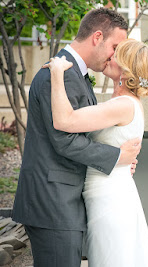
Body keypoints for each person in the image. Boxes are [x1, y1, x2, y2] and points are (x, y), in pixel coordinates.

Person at [12, 8, 141, 267]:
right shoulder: (58, 75)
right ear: (96, 37)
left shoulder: (75, 75)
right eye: (114, 46)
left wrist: (120, 158)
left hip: (64, 201)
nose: (115, 56)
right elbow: (64, 139)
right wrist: (117, 156)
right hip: (54, 204)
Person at [44, 39, 148, 266]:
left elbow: (64, 121)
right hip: (110, 195)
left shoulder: (123, 105)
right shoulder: (126, 103)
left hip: (110, 203)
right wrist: (118, 158)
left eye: (118, 55)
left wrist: (57, 73)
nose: (110, 56)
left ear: (127, 70)